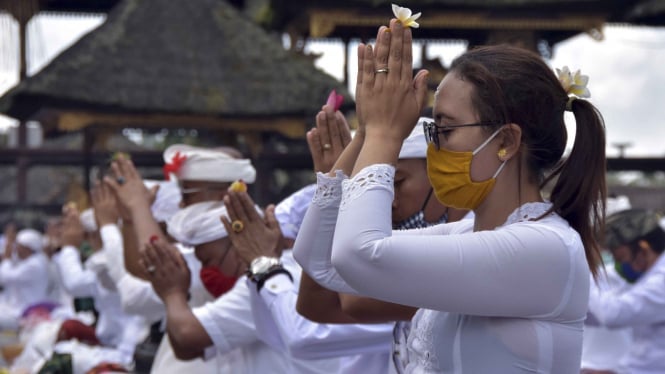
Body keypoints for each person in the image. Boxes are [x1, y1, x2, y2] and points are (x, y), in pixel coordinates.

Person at [295, 17, 606, 372]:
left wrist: (385, 133)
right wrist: (366, 133)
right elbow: (318, 259)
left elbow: (357, 254)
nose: (434, 147)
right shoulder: (468, 233)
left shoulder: (546, 248)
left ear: (506, 141)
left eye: (444, 129)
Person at [140, 198, 341, 373]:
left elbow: (186, 336)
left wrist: (172, 292)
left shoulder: (270, 279)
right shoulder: (276, 274)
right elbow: (187, 351)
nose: (205, 272)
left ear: (238, 247)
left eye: (209, 261)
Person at [584, 208, 665, 374]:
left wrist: (586, 275)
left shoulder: (661, 280)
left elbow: (612, 314)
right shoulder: (652, 276)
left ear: (643, 249)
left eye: (621, 259)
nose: (620, 265)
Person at [0, 227, 49, 331]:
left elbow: (5, 277)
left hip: (25, 312)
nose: (15, 249)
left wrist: (6, 259)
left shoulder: (34, 265)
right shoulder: (33, 260)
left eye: (18, 246)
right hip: (17, 309)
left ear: (28, 248)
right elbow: (14, 261)